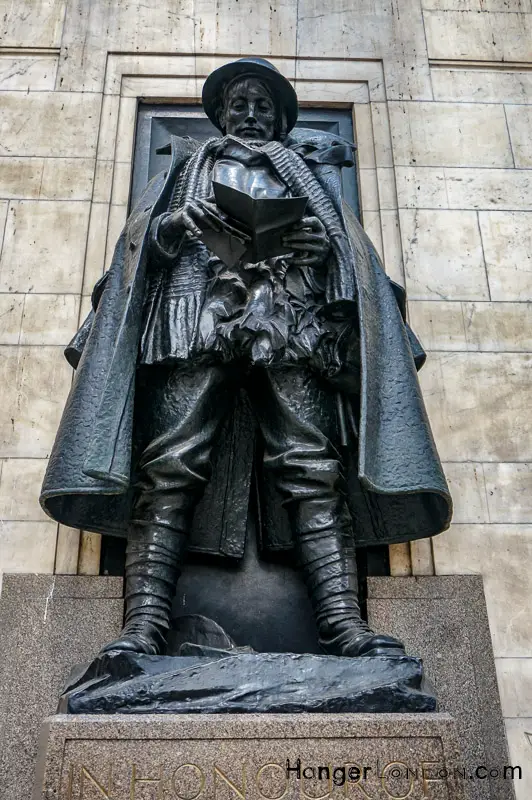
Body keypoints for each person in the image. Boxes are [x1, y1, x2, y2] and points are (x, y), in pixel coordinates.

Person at [40, 58, 452, 659]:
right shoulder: (186, 169)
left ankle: (344, 625)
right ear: (221, 115)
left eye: (264, 107)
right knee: (170, 466)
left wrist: (321, 249)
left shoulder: (311, 177)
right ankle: (143, 628)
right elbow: (137, 248)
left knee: (312, 467)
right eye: (240, 105)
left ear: (282, 120)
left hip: (290, 323)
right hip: (196, 318)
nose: (251, 116)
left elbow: (351, 259)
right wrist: (173, 227)